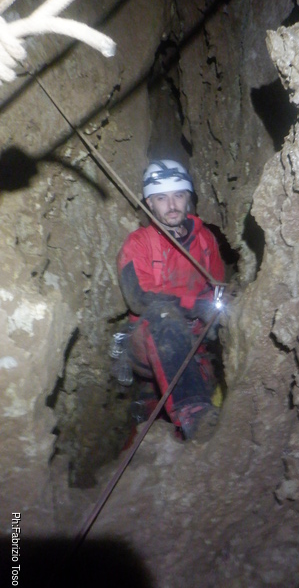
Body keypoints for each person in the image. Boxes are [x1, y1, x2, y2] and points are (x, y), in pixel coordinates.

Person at [116, 159, 225, 440]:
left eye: (178, 195)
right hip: (148, 338)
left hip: (195, 341)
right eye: (161, 198)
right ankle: (193, 413)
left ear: (189, 198)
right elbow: (139, 299)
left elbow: (217, 288)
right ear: (149, 204)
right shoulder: (138, 244)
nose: (172, 205)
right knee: (164, 315)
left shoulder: (205, 240)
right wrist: (194, 305)